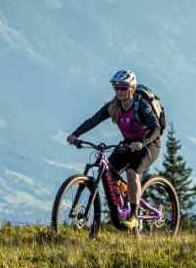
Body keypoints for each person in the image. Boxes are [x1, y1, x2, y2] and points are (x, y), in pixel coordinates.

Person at [66, 69, 162, 228]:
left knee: (132, 172)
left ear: (132, 88)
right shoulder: (113, 107)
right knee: (109, 174)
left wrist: (142, 143)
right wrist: (75, 134)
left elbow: (156, 129)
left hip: (149, 143)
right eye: (116, 87)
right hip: (128, 144)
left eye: (123, 87)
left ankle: (133, 216)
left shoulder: (141, 105)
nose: (119, 91)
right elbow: (93, 120)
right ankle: (124, 202)